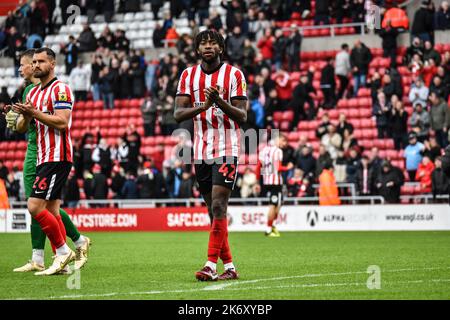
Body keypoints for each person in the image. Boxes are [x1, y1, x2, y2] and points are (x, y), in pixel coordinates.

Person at [174, 30, 248, 281]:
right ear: (197, 50)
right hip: (201, 148)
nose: (208, 46)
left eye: (213, 43)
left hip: (228, 147)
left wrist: (218, 101)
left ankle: (209, 265)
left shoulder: (235, 75)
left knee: (218, 205)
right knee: (213, 211)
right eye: (203, 43)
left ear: (221, 48)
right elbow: (177, 114)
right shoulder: (188, 75)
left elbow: (242, 115)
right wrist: (203, 106)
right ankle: (229, 267)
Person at [10, 48, 90, 275]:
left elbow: (63, 122)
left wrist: (33, 113)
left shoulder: (61, 89)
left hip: (58, 156)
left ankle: (64, 252)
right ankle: (63, 262)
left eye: (41, 61)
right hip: (43, 156)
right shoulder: (32, 94)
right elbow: (25, 128)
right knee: (53, 211)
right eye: (34, 62)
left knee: (35, 206)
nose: (36, 65)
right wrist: (24, 116)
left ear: (52, 64)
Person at [256, 136, 293, 237]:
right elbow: (278, 168)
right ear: (277, 139)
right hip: (275, 182)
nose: (284, 144)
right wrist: (288, 168)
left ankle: (273, 226)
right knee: (273, 205)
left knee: (278, 204)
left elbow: (259, 166)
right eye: (283, 140)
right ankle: (268, 230)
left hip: (267, 181)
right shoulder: (278, 151)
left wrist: (257, 182)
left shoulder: (264, 150)